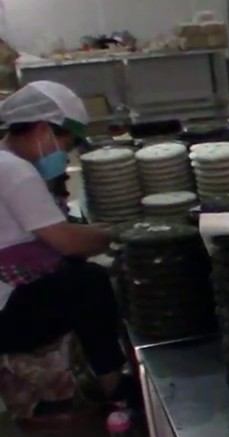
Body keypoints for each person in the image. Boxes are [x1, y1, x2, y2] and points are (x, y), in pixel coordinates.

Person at [0, 81, 133, 410]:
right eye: (65, 141)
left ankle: (99, 374)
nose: (65, 152)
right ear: (43, 129)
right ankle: (113, 387)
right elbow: (68, 242)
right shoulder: (15, 172)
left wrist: (102, 230)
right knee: (88, 282)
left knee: (76, 274)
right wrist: (121, 233)